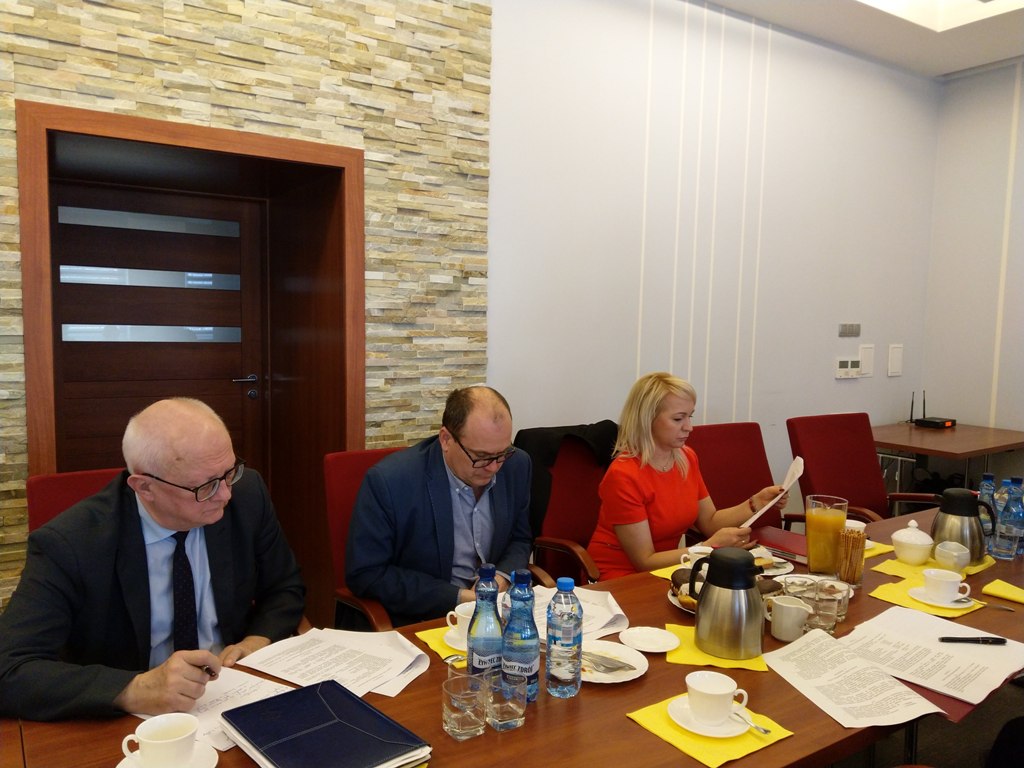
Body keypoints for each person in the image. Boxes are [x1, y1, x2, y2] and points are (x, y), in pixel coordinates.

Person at [0, 398, 305, 721]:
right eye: (206, 486)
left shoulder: (247, 495)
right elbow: (9, 669)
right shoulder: (70, 544)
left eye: (230, 472)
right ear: (144, 487)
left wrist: (257, 639)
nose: (225, 494)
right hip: (129, 721)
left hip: (231, 692)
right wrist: (135, 689)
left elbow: (284, 587)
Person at [346, 385, 533, 626]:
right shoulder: (390, 481)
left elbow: (520, 538)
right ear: (446, 439)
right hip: (423, 620)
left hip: (494, 616)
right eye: (481, 457)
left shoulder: (517, 465)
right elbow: (367, 574)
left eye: (502, 453)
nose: (494, 467)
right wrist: (458, 598)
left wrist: (501, 577)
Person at [587, 372, 787, 580]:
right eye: (678, 418)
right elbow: (644, 561)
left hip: (669, 570)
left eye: (690, 416)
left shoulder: (686, 458)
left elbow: (710, 522)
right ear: (647, 420)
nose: (689, 427)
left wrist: (757, 502)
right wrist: (709, 547)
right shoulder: (624, 475)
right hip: (620, 576)